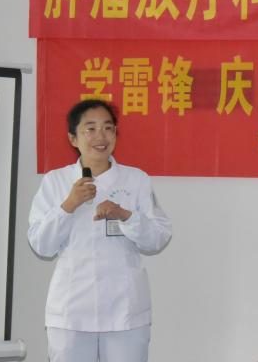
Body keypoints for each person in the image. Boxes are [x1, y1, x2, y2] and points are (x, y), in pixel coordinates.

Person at [28, 99, 172, 362]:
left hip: (125, 312)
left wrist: (126, 215)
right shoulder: (56, 181)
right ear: (73, 138)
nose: (100, 137)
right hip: (71, 311)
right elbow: (41, 245)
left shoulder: (136, 179)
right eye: (90, 129)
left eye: (108, 128)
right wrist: (69, 205)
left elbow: (158, 237)